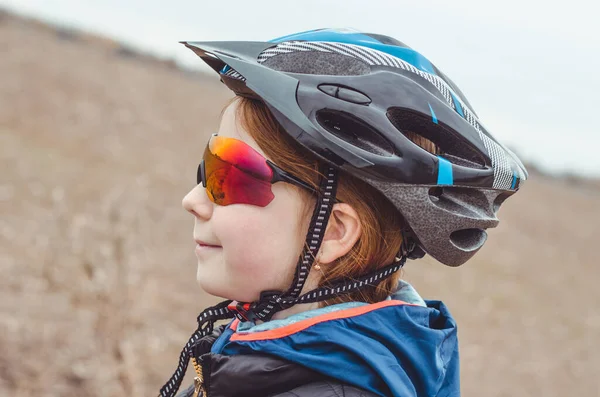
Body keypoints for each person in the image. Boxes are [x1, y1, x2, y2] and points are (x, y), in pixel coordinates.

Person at [159, 28, 528, 397]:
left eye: (232, 173)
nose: (192, 199)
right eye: (208, 166)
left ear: (333, 232)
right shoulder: (279, 359)